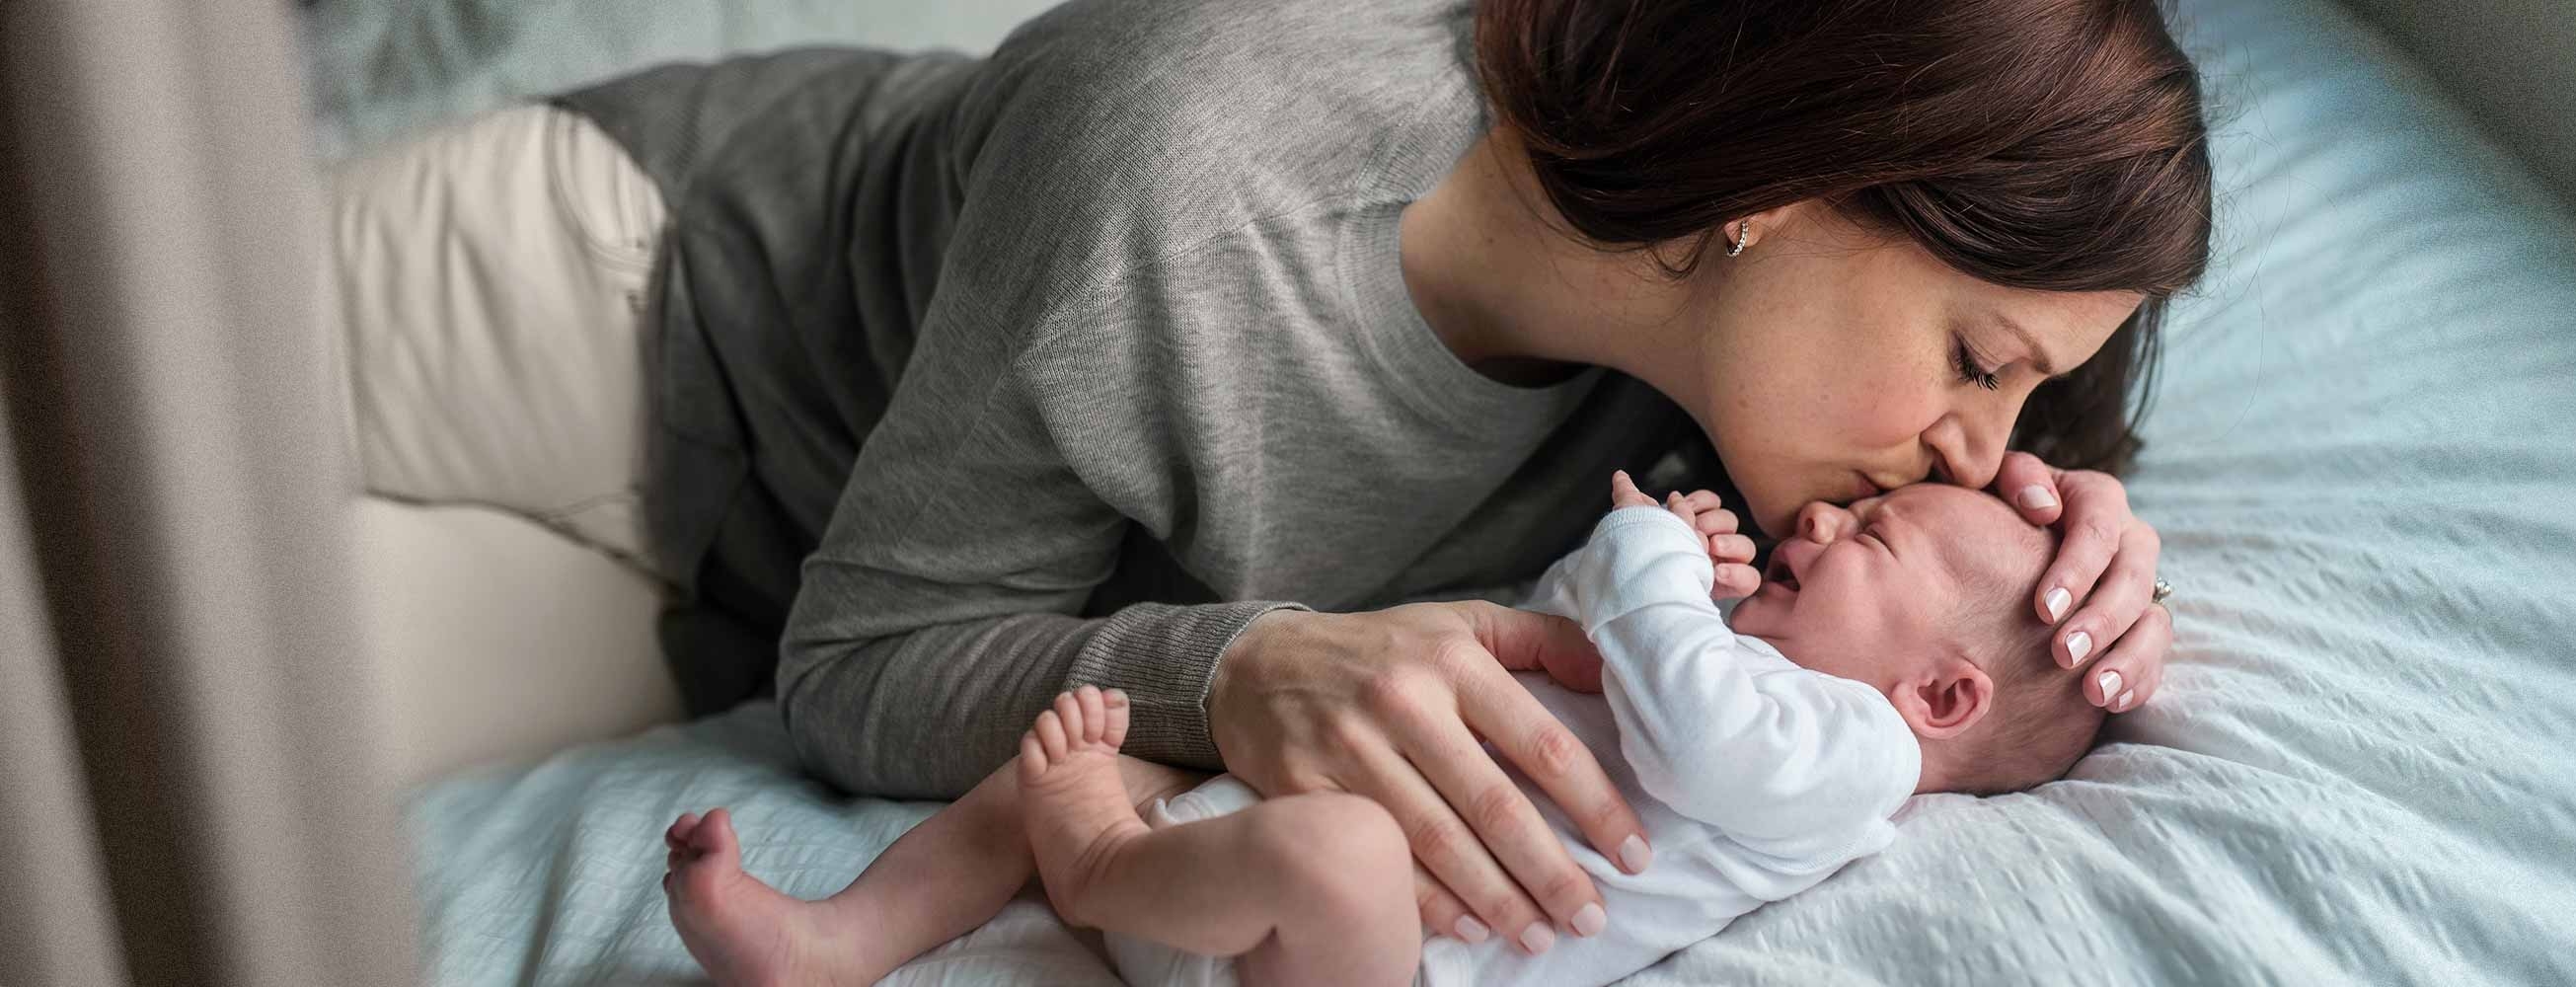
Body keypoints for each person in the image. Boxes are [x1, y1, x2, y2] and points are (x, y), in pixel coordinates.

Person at [330, 0, 2209, 949]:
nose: (1980, 452)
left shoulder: (1767, 436)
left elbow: (829, 652)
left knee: (132, 762)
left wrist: (2076, 541)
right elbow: (869, 664)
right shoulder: (1202, 158)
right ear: (1789, 182)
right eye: (1979, 370)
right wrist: (1236, 665)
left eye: (2025, 420)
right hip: (620, 300)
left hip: (728, 603)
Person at [660, 474, 2110, 986]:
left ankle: (1094, 868)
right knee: (1097, 738)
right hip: (1237, 865)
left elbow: (1691, 746)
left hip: (1364, 959)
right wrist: (1641, 592)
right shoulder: (1741, 662)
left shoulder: (1851, 757)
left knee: (1338, 847)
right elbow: (1527, 643)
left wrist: (1656, 569)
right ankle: (838, 942)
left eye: (1875, 535)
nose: (1822, 515)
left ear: (1943, 695)